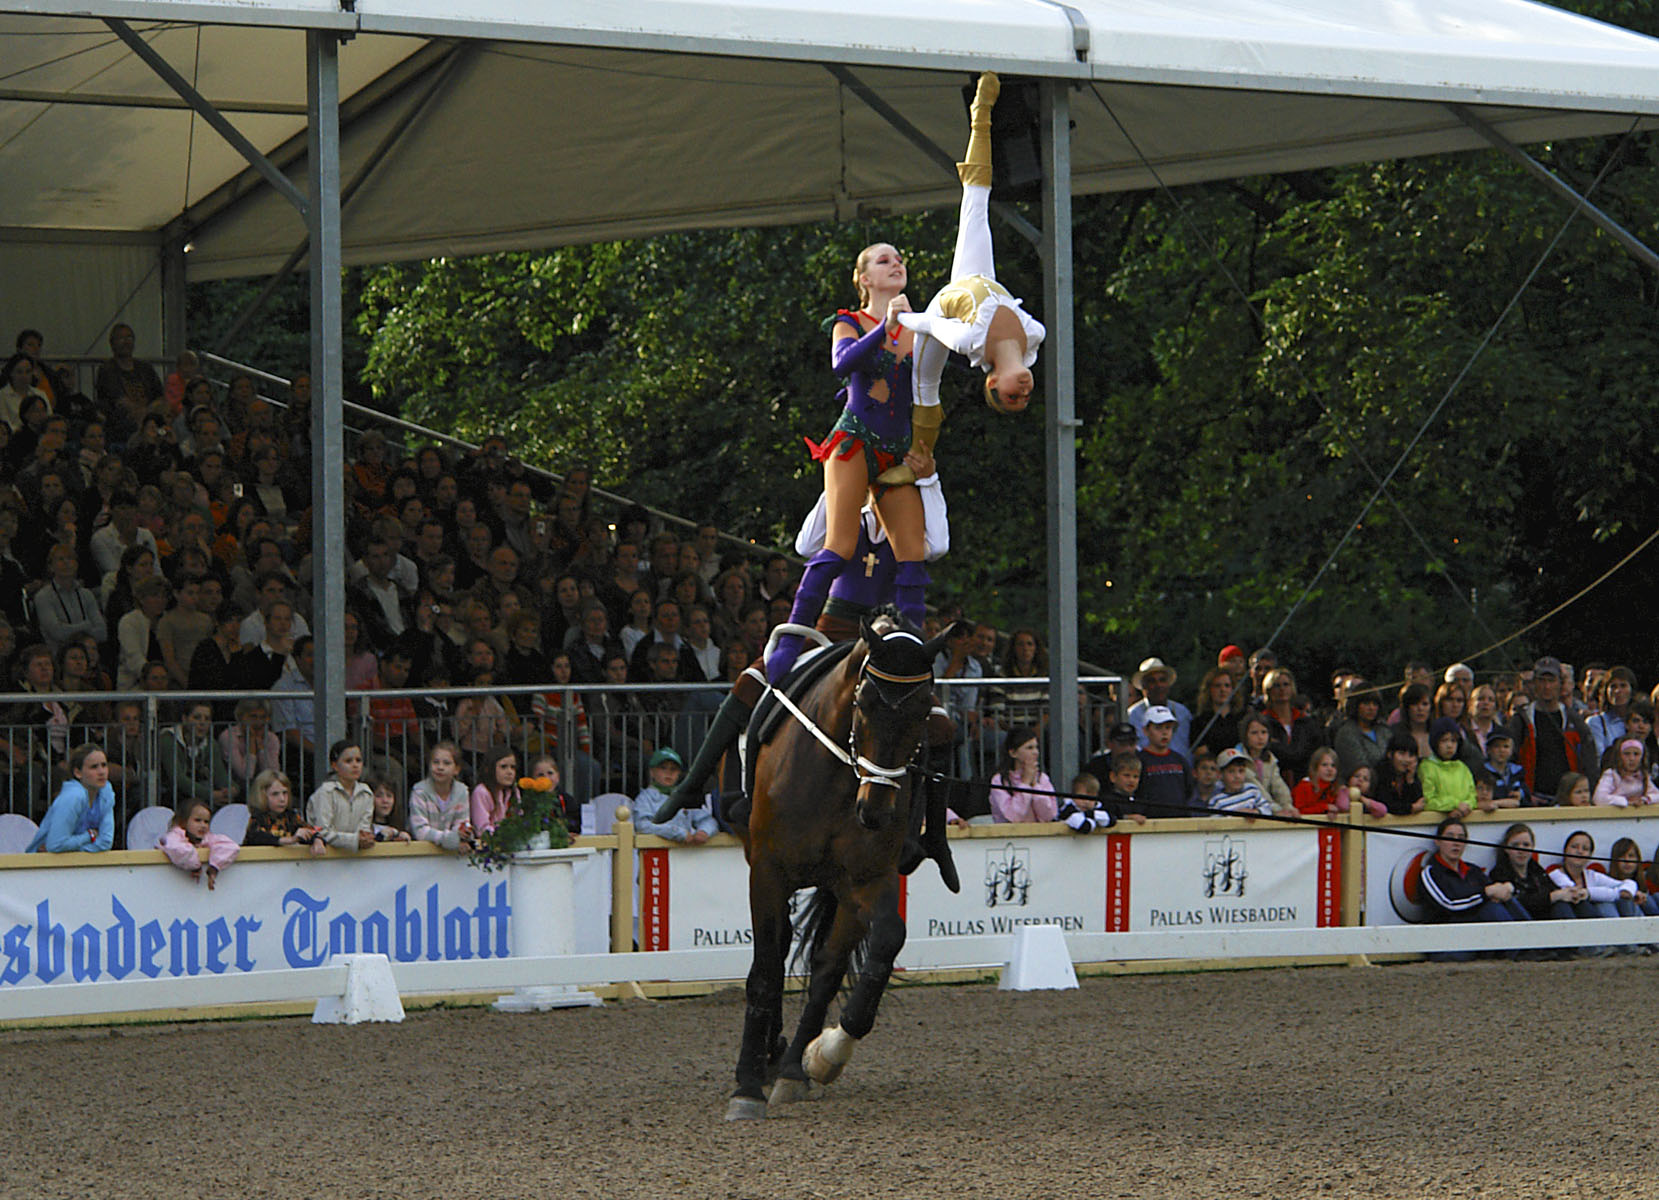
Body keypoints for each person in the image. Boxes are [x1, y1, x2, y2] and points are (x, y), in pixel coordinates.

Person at [1419, 817, 1528, 958]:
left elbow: (1493, 895)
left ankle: (1530, 942)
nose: (1456, 843)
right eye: (1450, 837)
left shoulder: (1473, 870)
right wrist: (1485, 893)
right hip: (1445, 942)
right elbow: (1450, 904)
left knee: (1505, 899)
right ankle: (1522, 949)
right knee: (1491, 906)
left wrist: (1504, 889)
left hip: (1476, 937)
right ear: (1437, 841)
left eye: (1461, 838)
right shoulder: (1430, 873)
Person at [1509, 655, 1597, 799]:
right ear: (1534, 683)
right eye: (1541, 681)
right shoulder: (1521, 720)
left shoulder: (1574, 720)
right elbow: (1510, 760)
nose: (1547, 686)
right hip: (1532, 800)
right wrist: (1523, 794)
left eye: (1551, 681)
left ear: (1560, 684)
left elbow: (1590, 764)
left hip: (1568, 800)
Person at [1548, 829, 1637, 955]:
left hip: (1593, 924)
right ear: (1565, 851)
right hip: (1574, 930)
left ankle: (1630, 944)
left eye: (1585, 848)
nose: (1579, 851)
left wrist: (1625, 892)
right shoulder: (1556, 876)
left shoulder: (1591, 876)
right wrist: (1614, 893)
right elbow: (1575, 893)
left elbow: (1628, 883)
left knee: (1625, 899)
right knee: (1604, 904)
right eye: (1574, 847)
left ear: (1590, 856)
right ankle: (1618, 946)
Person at [26, 744, 114, 852]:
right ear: (78, 773)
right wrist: (90, 836)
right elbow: (56, 845)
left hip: (77, 861)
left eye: (104, 765)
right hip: (42, 863)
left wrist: (74, 849)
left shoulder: (106, 792)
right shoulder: (73, 796)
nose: (101, 772)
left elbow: (106, 842)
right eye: (94, 767)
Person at [157, 699, 236, 809]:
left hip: (196, 793)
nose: (202, 723)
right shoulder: (168, 740)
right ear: (184, 719)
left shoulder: (210, 744)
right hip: (168, 792)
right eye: (197, 717)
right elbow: (178, 779)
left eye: (207, 719)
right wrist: (210, 795)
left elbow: (220, 775)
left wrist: (231, 789)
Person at [630, 748, 717, 844]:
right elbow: (642, 825)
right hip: (656, 854)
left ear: (679, 773)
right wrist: (676, 833)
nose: (669, 773)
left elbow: (707, 820)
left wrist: (704, 832)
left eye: (673, 769)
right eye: (663, 768)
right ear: (652, 772)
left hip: (685, 855)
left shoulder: (685, 797)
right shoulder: (645, 798)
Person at [307, 739, 375, 853]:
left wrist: (364, 838)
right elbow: (322, 831)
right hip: (325, 856)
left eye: (358, 760)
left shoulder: (366, 793)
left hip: (356, 857)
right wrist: (354, 840)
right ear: (335, 765)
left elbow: (364, 828)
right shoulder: (325, 792)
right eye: (348, 761)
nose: (355, 765)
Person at [408, 740, 475, 853]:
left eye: (446, 763)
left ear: (457, 769)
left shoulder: (462, 791)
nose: (440, 767)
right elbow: (420, 831)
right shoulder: (419, 791)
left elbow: (462, 823)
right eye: (435, 762)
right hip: (422, 854)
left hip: (450, 857)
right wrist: (451, 839)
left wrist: (463, 835)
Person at [158, 800, 239, 889]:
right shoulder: (173, 837)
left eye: (206, 822)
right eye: (197, 820)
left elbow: (230, 846)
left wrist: (214, 867)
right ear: (183, 822)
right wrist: (195, 866)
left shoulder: (207, 838)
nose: (203, 825)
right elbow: (179, 850)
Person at [987, 725, 1057, 823]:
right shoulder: (999, 780)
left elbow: (1049, 816)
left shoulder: (1042, 778)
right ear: (1013, 753)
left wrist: (1035, 785)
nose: (1036, 752)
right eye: (1029, 748)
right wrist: (1025, 783)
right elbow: (1014, 816)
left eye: (1036, 747)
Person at [1128, 657, 1193, 758]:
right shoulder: (1133, 715)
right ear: (1143, 686)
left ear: (1168, 684)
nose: (1158, 685)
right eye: (1152, 681)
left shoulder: (1182, 712)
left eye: (1162, 680)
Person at [243, 769, 321, 853]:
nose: (282, 799)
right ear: (261, 795)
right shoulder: (256, 816)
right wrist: (290, 840)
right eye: (275, 794)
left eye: (285, 793)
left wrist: (317, 840)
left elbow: (310, 831)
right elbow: (257, 837)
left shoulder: (291, 816)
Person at [1137, 705, 1195, 818]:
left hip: (1179, 821)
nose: (1164, 733)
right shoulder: (1139, 760)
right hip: (1149, 822)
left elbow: (1189, 790)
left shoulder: (1180, 760)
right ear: (1145, 731)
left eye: (1168, 727)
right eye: (1158, 728)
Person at [1236, 712, 1294, 814]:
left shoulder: (1270, 759)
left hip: (1269, 810)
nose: (1260, 737)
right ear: (1245, 735)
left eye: (1264, 732)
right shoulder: (1238, 759)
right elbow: (1258, 792)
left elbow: (1279, 787)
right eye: (1254, 733)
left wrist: (1288, 806)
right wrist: (1279, 810)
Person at [1420, 717, 1476, 818]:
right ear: (1435, 743)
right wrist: (1455, 805)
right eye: (1444, 740)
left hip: (1464, 817)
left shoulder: (1462, 767)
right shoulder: (1427, 767)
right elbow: (1428, 800)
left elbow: (1472, 795)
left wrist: (1467, 806)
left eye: (1453, 741)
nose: (1449, 745)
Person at [470, 744, 521, 834]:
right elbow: (482, 829)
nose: (510, 772)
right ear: (489, 769)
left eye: (513, 767)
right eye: (503, 767)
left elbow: (519, 819)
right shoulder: (481, 792)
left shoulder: (513, 791)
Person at [1372, 730, 1425, 816]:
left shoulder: (1413, 774)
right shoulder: (1380, 773)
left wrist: (1410, 780)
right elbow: (1387, 805)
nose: (1407, 759)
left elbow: (1419, 802)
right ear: (1390, 754)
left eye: (1411, 755)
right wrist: (1411, 808)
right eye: (1401, 753)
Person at [1592, 739, 1658, 807]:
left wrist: (1645, 799)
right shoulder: (1611, 774)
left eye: (1636, 754)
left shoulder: (1643, 776)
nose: (1631, 758)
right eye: (1627, 754)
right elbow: (1598, 798)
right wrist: (1626, 801)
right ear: (1619, 756)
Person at [1210, 747, 1275, 816]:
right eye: (1231, 771)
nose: (1237, 776)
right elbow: (1215, 824)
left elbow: (1268, 810)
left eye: (1241, 771)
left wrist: (1255, 812)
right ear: (1220, 775)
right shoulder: (1217, 801)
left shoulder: (1252, 791)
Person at [1291, 747, 1346, 816]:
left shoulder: (1334, 788)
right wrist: (1325, 807)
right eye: (1324, 765)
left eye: (1333, 765)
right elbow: (1300, 811)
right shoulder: (1305, 786)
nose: (1330, 769)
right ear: (1315, 768)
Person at [1482, 728, 1529, 807]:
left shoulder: (1518, 772)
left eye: (1506, 746)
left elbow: (1527, 795)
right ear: (1488, 750)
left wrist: (1521, 794)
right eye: (1496, 746)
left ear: (1511, 750)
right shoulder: (1481, 772)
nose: (1501, 750)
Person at [369, 778, 412, 843]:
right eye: (378, 796)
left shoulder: (398, 827)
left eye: (389, 796)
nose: (385, 801)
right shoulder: (364, 827)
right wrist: (380, 837)